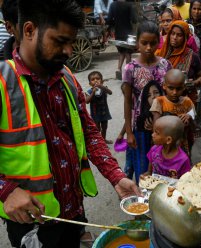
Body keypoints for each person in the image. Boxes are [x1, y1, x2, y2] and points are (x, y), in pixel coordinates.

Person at [0, 0, 140, 247]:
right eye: (60, 41)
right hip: (31, 222)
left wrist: (116, 176)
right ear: (30, 30)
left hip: (73, 212)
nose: (69, 51)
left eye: (72, 42)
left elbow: (87, 131)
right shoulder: (2, 83)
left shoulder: (66, 77)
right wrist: (6, 190)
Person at [120, 21, 172, 184]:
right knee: (143, 167)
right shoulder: (130, 68)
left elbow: (170, 96)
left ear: (159, 42)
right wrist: (129, 132)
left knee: (162, 166)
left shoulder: (165, 65)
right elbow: (128, 102)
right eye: (144, 43)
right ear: (137, 43)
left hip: (163, 126)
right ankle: (142, 202)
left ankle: (159, 201)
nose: (149, 47)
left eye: (153, 43)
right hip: (140, 128)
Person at [150, 69, 195, 156]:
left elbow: (193, 126)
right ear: (164, 86)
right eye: (171, 88)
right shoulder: (160, 101)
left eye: (178, 89)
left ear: (184, 87)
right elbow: (156, 127)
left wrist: (189, 116)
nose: (174, 92)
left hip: (183, 144)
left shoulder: (187, 102)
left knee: (182, 166)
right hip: (164, 145)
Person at [107, 0, 137, 80]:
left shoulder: (113, 5)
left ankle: (118, 69)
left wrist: (115, 22)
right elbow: (134, 19)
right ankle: (128, 72)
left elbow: (109, 19)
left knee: (121, 52)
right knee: (128, 53)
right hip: (128, 32)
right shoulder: (129, 4)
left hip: (118, 32)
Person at [85, 71, 113, 144]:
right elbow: (86, 101)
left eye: (98, 78)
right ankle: (99, 142)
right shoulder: (89, 91)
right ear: (90, 83)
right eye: (93, 79)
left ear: (102, 81)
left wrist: (102, 86)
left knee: (104, 127)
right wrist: (93, 92)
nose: (95, 80)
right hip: (95, 114)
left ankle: (103, 140)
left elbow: (110, 92)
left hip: (104, 112)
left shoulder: (104, 89)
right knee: (97, 129)